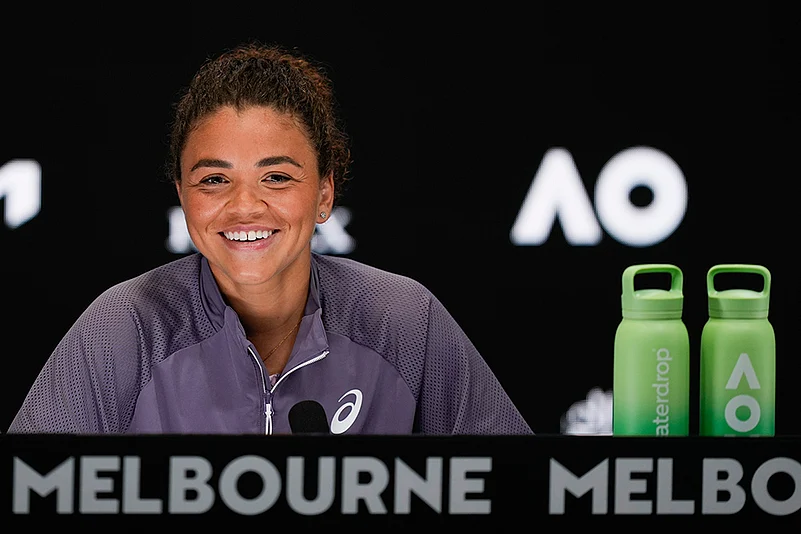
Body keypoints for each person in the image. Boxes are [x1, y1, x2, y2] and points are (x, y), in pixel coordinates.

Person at [7, 41, 533, 435]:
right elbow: (32, 492)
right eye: (214, 180)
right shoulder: (120, 329)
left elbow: (515, 488)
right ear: (183, 195)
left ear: (325, 193)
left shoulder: (406, 322)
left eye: (277, 177)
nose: (244, 206)